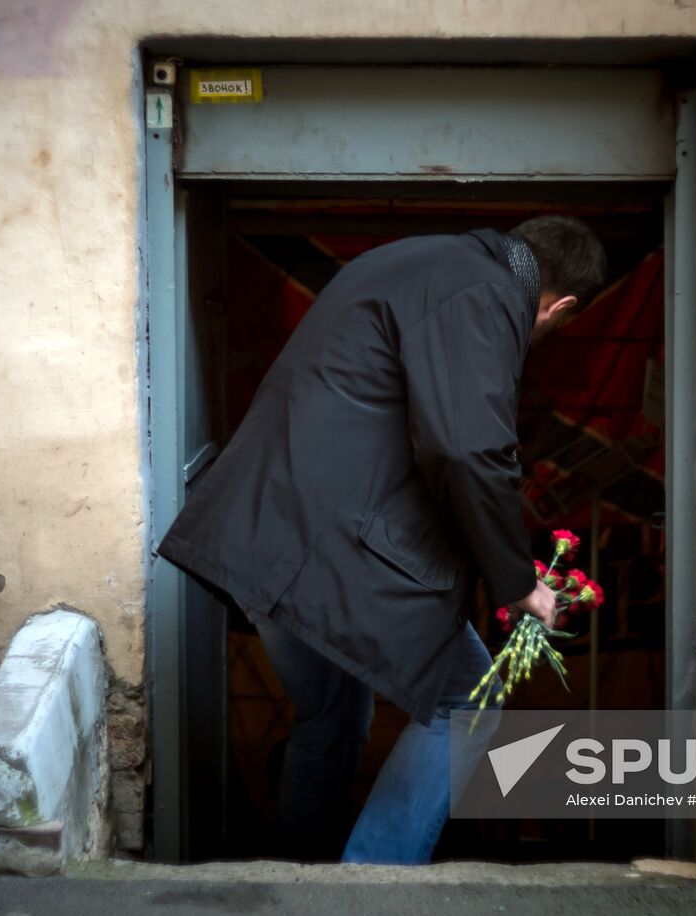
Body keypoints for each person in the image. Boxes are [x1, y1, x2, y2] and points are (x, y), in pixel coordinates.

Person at [157, 215, 607, 864]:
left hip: (264, 538)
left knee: (331, 715)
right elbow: (468, 448)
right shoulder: (485, 295)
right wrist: (517, 582)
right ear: (559, 306)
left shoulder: (413, 256)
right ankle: (374, 885)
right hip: (337, 553)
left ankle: (303, 882)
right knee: (467, 704)